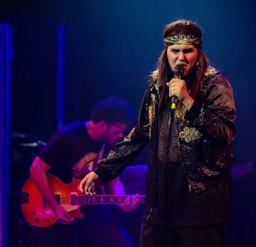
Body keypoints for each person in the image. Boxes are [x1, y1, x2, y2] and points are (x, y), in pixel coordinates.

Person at [81, 19, 236, 247]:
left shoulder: (214, 84)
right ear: (166, 52)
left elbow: (225, 132)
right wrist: (103, 171)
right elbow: (138, 135)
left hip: (199, 204)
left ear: (198, 52)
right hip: (160, 205)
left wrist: (188, 101)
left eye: (188, 51)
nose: (181, 58)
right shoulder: (156, 87)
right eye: (175, 51)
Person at [28, 96, 140, 247]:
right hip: (59, 205)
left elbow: (113, 179)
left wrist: (123, 201)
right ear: (102, 125)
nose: (120, 136)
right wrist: (55, 206)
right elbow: (36, 168)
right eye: (116, 131)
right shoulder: (69, 135)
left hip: (92, 207)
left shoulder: (109, 145)